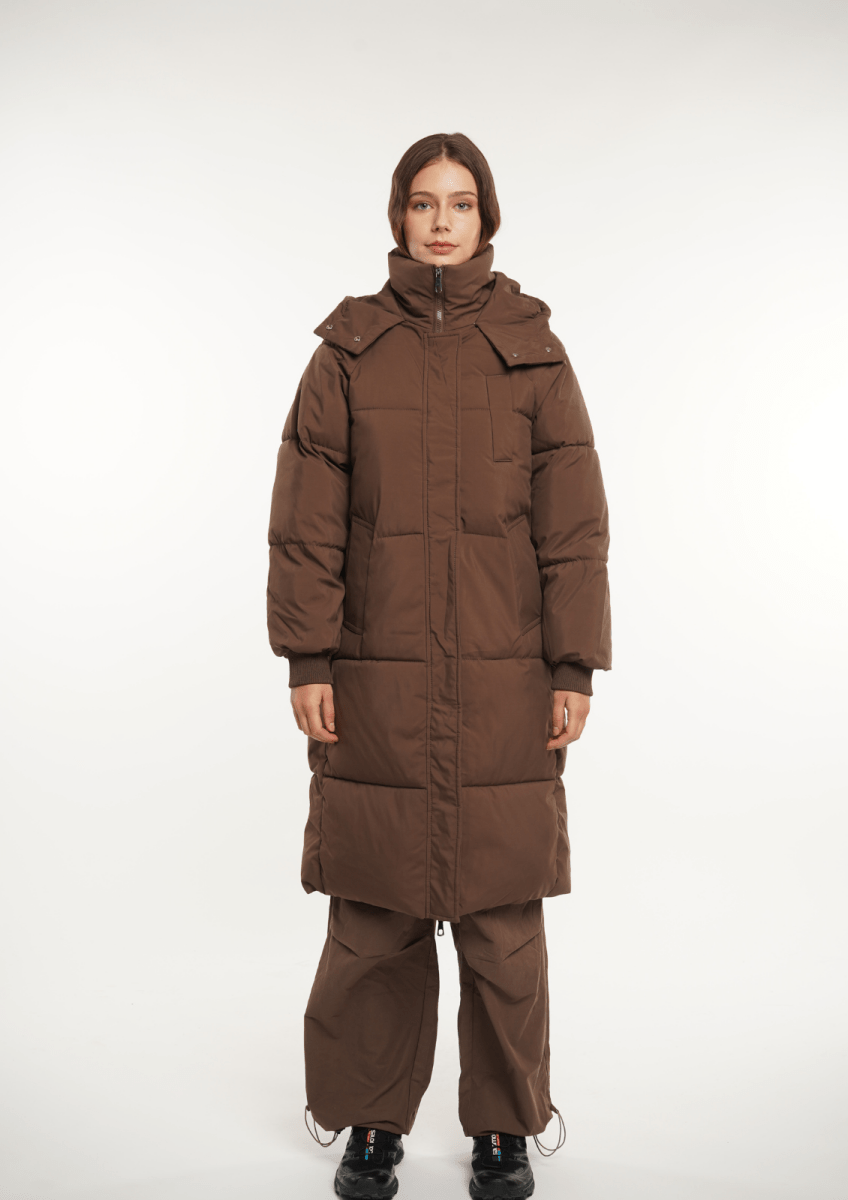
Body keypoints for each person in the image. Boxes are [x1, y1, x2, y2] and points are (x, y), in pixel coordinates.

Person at [266, 132, 612, 1200]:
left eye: (460, 203)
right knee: (374, 913)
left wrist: (573, 667)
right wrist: (308, 656)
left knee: (503, 921)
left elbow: (573, 527)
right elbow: (306, 523)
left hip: (509, 684)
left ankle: (504, 1128)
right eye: (424, 203)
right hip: (375, 681)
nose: (442, 221)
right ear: (398, 217)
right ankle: (372, 1122)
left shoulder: (532, 352)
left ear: (487, 218)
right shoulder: (348, 352)